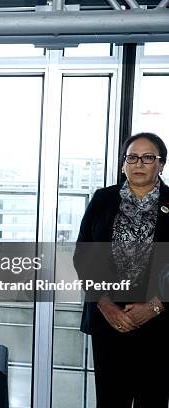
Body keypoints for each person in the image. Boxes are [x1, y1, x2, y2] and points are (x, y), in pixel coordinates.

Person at [74, 132, 168, 408]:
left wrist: (154, 307)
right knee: (110, 399)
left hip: (160, 324)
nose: (139, 163)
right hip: (109, 321)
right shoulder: (103, 200)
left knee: (153, 399)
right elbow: (83, 257)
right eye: (132, 157)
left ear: (161, 165)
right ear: (123, 164)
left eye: (148, 157)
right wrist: (105, 305)